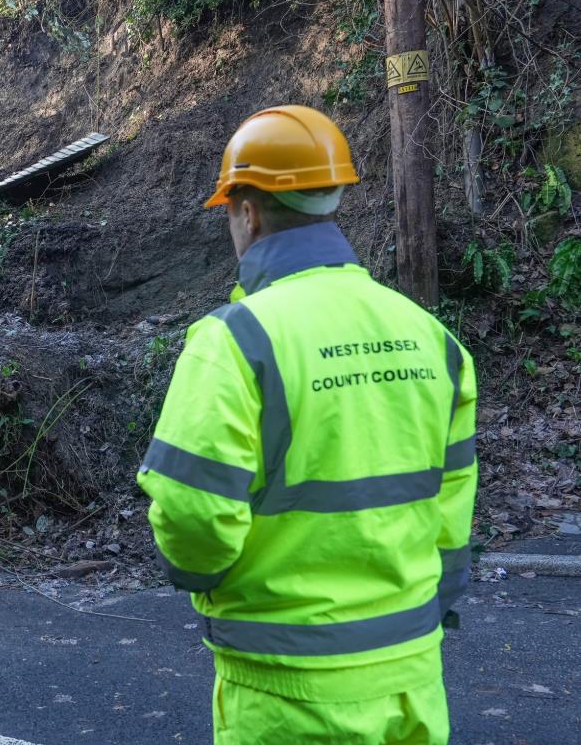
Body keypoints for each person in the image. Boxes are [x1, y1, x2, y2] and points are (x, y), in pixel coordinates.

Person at [137, 105, 477, 744]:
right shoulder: (429, 336)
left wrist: (208, 580)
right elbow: (451, 512)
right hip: (412, 682)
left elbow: (191, 515)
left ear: (247, 211)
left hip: (286, 692)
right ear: (333, 200)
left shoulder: (235, 342)